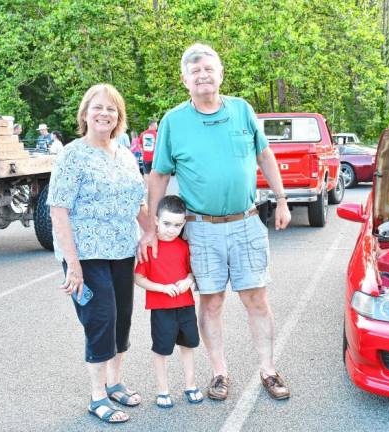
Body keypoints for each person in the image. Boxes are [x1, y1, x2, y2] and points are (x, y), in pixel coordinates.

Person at [140, 43, 292, 401]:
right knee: (210, 302)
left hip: (247, 221)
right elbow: (159, 175)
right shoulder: (174, 122)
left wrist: (282, 199)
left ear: (220, 73)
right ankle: (219, 373)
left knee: (257, 299)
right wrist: (151, 228)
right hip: (201, 228)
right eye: (195, 72)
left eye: (209, 69)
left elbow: (265, 154)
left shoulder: (242, 110)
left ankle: (268, 370)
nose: (203, 76)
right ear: (185, 79)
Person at [48, 83, 149, 424]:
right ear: (85, 113)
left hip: (122, 249)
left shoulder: (124, 154)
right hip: (86, 254)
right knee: (100, 318)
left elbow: (137, 200)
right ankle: (97, 396)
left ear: (119, 117)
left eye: (112, 109)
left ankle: (115, 381)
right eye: (98, 107)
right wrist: (72, 264)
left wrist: (150, 232)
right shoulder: (72, 154)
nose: (105, 113)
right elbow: (58, 209)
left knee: (122, 319)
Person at [134, 195, 203, 408]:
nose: (171, 230)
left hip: (186, 305)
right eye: (166, 224)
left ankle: (190, 385)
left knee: (188, 345)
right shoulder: (148, 248)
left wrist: (188, 280)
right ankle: (162, 390)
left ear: (183, 224)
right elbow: (138, 278)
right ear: (155, 220)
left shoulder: (184, 246)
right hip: (162, 309)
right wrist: (162, 288)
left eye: (177, 225)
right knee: (161, 350)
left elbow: (192, 272)